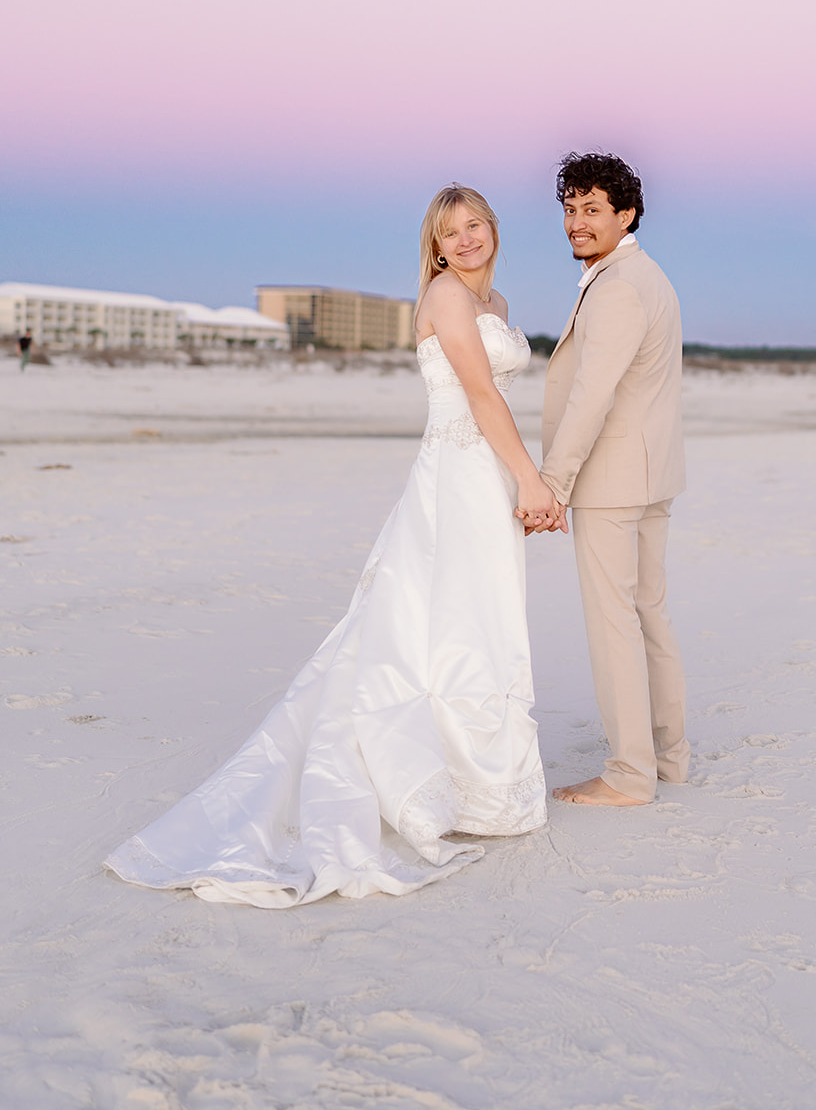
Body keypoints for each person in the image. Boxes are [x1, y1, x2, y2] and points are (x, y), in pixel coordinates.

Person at [105, 185, 552, 906]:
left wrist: (518, 479)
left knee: (476, 622)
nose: (466, 239)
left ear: (493, 229)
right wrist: (531, 479)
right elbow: (478, 394)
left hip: (486, 475)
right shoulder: (444, 296)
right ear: (434, 247)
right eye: (451, 232)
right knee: (436, 623)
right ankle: (435, 788)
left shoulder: (493, 305)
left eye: (475, 225)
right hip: (457, 477)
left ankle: (479, 790)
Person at [528, 152, 690, 807]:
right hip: (650, 474)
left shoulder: (619, 286)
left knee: (614, 623)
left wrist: (553, 482)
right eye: (570, 209)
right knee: (648, 614)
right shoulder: (646, 276)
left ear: (625, 214)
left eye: (591, 209)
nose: (576, 222)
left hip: (613, 480)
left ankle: (628, 774)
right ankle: (668, 758)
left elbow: (591, 394)